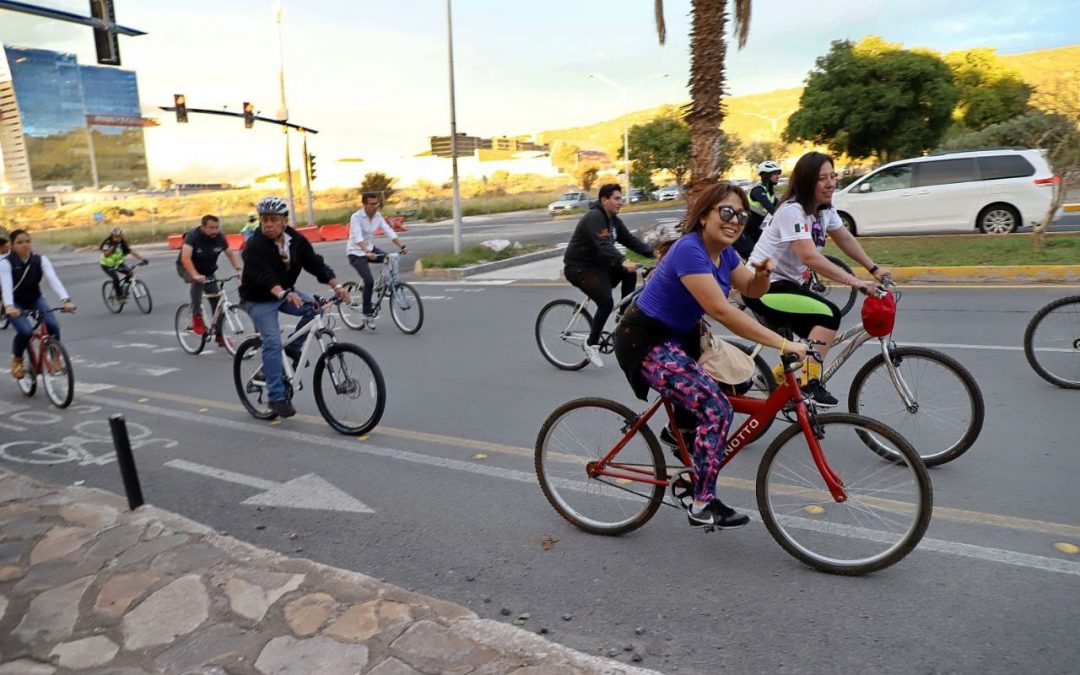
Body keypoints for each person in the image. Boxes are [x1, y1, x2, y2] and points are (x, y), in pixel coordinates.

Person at [614, 181, 806, 528]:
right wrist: (782, 343)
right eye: (727, 212)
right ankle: (702, 504)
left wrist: (762, 274)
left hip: (682, 339)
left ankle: (681, 435)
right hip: (644, 341)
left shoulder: (726, 253)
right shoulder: (690, 250)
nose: (735, 221)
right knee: (715, 408)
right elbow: (722, 311)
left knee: (737, 386)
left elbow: (750, 289)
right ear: (704, 216)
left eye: (742, 215)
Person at [743, 151, 889, 406]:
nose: (831, 183)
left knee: (816, 337)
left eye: (833, 176)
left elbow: (844, 238)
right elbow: (809, 256)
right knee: (829, 315)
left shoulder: (825, 211)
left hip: (787, 286)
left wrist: (873, 268)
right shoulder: (792, 211)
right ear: (807, 181)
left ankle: (773, 379)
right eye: (822, 178)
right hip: (764, 286)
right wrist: (855, 282)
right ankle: (809, 384)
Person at [239, 196, 350, 418]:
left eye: (273, 220)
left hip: (286, 293)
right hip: (258, 299)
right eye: (264, 220)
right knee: (271, 341)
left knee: (315, 308)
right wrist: (283, 293)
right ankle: (276, 397)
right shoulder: (254, 246)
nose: (268, 224)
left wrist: (336, 286)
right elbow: (264, 276)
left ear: (285, 221)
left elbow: (315, 264)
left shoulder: (296, 240)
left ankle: (293, 348)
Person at [563, 183, 655, 368]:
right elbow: (604, 245)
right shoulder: (594, 217)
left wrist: (655, 254)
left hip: (599, 266)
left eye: (621, 199)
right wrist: (622, 261)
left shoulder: (613, 220)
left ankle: (622, 315)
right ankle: (591, 344)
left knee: (630, 274)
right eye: (617, 199)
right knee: (606, 302)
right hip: (579, 268)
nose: (620, 202)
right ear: (604, 200)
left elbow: (630, 240)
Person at [1, 230, 76, 378]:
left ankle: (55, 359)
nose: (25, 245)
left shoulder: (40, 260)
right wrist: (9, 306)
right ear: (12, 245)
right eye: (20, 242)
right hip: (15, 303)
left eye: (27, 241)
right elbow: (6, 286)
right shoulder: (5, 263)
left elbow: (53, 280)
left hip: (35, 299)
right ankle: (17, 360)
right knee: (25, 332)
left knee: (53, 325)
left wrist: (66, 300)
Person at [176, 214, 242, 348]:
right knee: (197, 282)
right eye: (211, 228)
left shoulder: (219, 237)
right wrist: (195, 275)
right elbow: (186, 258)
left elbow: (229, 253)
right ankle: (196, 317)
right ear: (203, 227)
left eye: (217, 227)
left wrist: (238, 269)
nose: (214, 231)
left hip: (208, 270)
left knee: (216, 300)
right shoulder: (193, 237)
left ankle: (219, 335)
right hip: (188, 267)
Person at [346, 193, 408, 329]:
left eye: (377, 204)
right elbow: (357, 237)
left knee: (390, 259)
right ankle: (367, 314)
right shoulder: (356, 217)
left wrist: (401, 245)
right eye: (372, 204)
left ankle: (386, 285)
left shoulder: (378, 216)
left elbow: (389, 232)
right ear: (364, 204)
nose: (375, 206)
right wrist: (366, 251)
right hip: (356, 253)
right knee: (369, 281)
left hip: (370, 249)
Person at [735, 160, 782, 259]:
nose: (778, 176)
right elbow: (770, 208)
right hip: (742, 230)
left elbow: (782, 207)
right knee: (752, 259)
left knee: (768, 253)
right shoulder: (758, 190)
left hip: (755, 230)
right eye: (775, 174)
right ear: (766, 175)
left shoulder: (771, 195)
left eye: (778, 174)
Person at [99, 227, 147, 297]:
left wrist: (142, 259)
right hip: (106, 265)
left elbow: (131, 252)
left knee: (130, 274)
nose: (118, 238)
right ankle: (119, 296)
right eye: (116, 236)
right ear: (112, 235)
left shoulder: (122, 243)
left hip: (118, 264)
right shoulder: (107, 243)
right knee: (115, 278)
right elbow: (106, 255)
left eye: (120, 236)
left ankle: (124, 289)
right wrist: (113, 246)